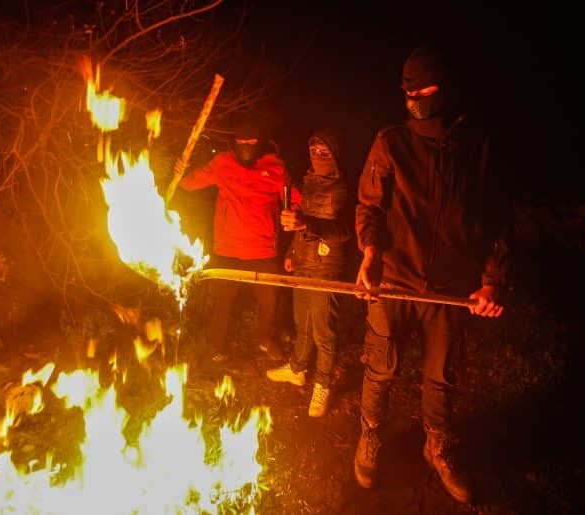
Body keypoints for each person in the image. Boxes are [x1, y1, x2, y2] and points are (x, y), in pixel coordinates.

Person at [352, 43, 511, 503]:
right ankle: (371, 436)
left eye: (425, 87)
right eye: (408, 90)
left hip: (450, 287)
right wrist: (368, 252)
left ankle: (438, 447)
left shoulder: (476, 146)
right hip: (393, 281)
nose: (415, 97)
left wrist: (492, 280)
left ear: (447, 87)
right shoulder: (391, 142)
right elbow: (369, 205)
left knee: (441, 375)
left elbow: (496, 218)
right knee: (378, 367)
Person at [179, 113, 298, 363]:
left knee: (269, 301)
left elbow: (295, 199)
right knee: (222, 302)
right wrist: (180, 170)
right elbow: (188, 183)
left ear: (261, 142)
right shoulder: (222, 163)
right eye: (241, 142)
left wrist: (295, 213)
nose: (246, 147)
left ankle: (264, 338)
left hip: (263, 248)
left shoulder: (275, 167)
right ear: (234, 143)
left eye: (252, 142)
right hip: (228, 248)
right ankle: (215, 345)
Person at [265, 129, 354, 417]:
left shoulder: (343, 189)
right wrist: (292, 252)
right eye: (314, 152)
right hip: (303, 263)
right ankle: (297, 369)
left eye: (324, 153)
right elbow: (300, 221)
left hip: (327, 269)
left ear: (336, 155)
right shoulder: (309, 182)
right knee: (301, 324)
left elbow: (345, 232)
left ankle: (323, 386)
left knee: (324, 332)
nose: (317, 157)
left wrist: (307, 225)